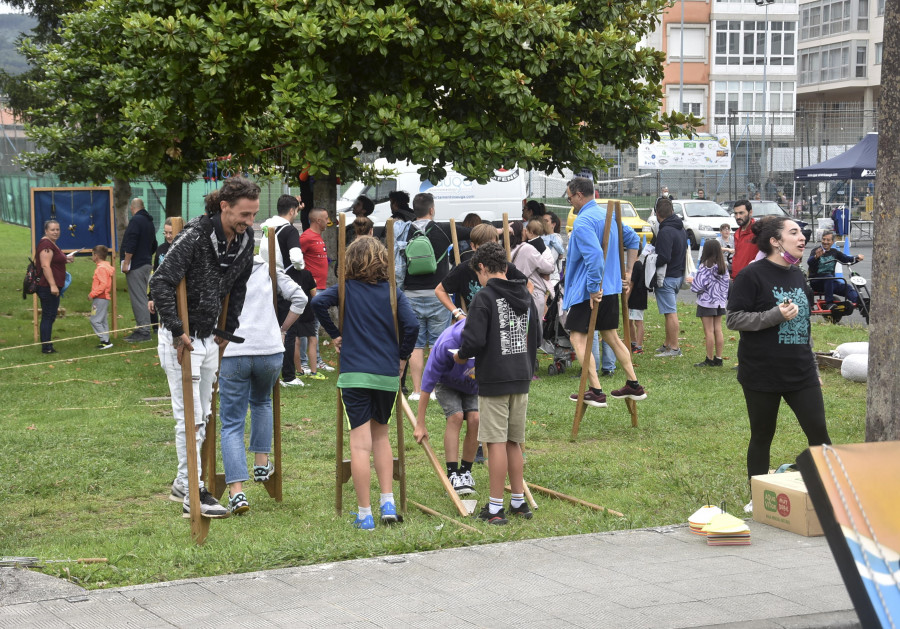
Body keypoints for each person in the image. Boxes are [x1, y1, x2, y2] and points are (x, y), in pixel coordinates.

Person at [149, 176, 259, 519]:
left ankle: (184, 481)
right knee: (190, 417)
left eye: (254, 215)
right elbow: (160, 282)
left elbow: (239, 284)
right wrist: (177, 328)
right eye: (244, 213)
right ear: (224, 206)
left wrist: (229, 327)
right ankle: (193, 493)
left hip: (210, 336)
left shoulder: (245, 239)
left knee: (204, 415)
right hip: (181, 338)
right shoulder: (195, 235)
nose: (249, 221)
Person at [312, 237, 419, 530]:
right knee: (381, 437)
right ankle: (388, 503)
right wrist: (401, 359)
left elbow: (318, 302)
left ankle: (364, 514)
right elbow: (412, 326)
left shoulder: (347, 290)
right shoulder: (393, 293)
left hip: (356, 373)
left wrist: (334, 334)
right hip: (386, 374)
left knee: (360, 446)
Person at [726, 216, 831, 509]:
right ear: (775, 241)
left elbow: (805, 328)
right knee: (762, 435)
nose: (802, 238)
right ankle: (757, 497)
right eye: (794, 232)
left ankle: (831, 494)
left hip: (800, 372)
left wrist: (812, 366)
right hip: (761, 372)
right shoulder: (752, 275)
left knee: (819, 433)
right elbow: (733, 319)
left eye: (802, 233)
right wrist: (774, 315)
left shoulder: (798, 275)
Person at [456, 243, 540, 525]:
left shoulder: (484, 297)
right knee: (514, 442)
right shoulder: (526, 295)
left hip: (494, 378)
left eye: (477, 274)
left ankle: (495, 508)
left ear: (482, 268)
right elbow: (536, 336)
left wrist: (461, 355)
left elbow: (474, 340)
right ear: (505, 266)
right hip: (521, 376)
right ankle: (518, 502)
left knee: (495, 443)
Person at [219, 253, 307, 515]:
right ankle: (261, 461)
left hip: (234, 349)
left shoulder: (222, 265)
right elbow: (300, 298)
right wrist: (281, 329)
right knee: (261, 402)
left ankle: (237, 492)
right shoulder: (268, 267)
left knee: (232, 422)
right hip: (269, 350)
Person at [562, 177, 646, 408]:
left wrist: (592, 289)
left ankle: (595, 390)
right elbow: (636, 240)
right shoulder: (608, 216)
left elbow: (595, 257)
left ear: (579, 195)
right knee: (610, 335)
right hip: (609, 289)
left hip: (588, 292)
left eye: (570, 197)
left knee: (577, 337)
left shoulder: (583, 221)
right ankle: (633, 383)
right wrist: (627, 273)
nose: (570, 202)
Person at [401, 192, 471, 401]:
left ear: (415, 210)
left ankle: (415, 390)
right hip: (438, 293)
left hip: (410, 294)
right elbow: (471, 233)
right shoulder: (444, 228)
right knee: (437, 342)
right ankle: (430, 389)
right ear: (432, 210)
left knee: (416, 343)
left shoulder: (404, 231)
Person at [413, 319, 479, 495]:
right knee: (456, 417)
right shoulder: (446, 344)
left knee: (475, 419)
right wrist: (420, 423)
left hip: (473, 384)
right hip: (447, 383)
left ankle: (465, 472)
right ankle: (452, 473)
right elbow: (427, 386)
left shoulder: (486, 338)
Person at [259, 194, 308, 387]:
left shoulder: (268, 226)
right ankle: (288, 375)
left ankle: (273, 373)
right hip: (285, 280)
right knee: (288, 330)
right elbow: (296, 257)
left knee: (271, 327)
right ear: (292, 211)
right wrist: (301, 267)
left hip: (266, 278)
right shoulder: (289, 230)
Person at [436, 223, 530, 318]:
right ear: (473, 246)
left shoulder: (504, 266)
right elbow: (440, 290)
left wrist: (517, 308)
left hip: (502, 324)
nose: (487, 251)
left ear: (497, 243)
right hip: (476, 323)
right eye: (482, 247)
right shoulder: (463, 269)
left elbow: (529, 285)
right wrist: (458, 314)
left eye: (491, 245)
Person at [299, 207, 335, 376]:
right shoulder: (306, 237)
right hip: (312, 289)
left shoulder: (317, 237)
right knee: (310, 328)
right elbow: (297, 260)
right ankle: (306, 363)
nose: (328, 222)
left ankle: (315, 361)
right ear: (317, 221)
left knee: (315, 327)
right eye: (326, 219)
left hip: (321, 287)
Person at [652, 198, 687, 358]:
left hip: (667, 276)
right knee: (668, 312)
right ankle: (667, 343)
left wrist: (650, 261)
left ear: (657, 214)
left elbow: (664, 256)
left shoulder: (665, 231)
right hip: (678, 274)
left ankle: (674, 348)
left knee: (670, 313)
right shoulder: (680, 228)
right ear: (672, 211)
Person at [35, 219, 75, 354]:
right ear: (46, 231)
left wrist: (66, 259)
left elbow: (54, 261)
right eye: (52, 230)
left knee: (50, 316)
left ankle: (47, 344)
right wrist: (53, 286)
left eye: (57, 229)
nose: (56, 232)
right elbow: (45, 266)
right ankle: (46, 347)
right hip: (47, 287)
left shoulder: (52, 244)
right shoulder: (46, 245)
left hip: (52, 286)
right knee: (48, 316)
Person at [120, 198, 157, 343]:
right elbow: (154, 244)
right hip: (146, 263)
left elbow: (132, 241)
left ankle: (143, 331)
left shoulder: (136, 221)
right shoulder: (149, 222)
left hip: (136, 265)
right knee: (142, 296)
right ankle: (143, 327)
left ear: (132, 208)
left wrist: (127, 261)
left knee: (139, 298)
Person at [689, 239, 729, 367]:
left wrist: (692, 280)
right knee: (718, 330)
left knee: (709, 331)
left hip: (706, 302)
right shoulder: (723, 266)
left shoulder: (705, 265)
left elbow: (698, 286)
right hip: (719, 302)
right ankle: (719, 358)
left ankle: (709, 359)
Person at [807, 231, 864, 310]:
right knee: (829, 277)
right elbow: (809, 262)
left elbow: (846, 259)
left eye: (828, 240)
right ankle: (829, 303)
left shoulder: (835, 252)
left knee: (847, 287)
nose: (825, 242)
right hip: (816, 282)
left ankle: (860, 303)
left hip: (830, 282)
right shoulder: (816, 251)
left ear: (832, 242)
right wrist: (816, 257)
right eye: (824, 239)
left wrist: (857, 258)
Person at [511, 220, 554, 319]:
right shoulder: (528, 248)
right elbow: (549, 268)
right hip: (533, 293)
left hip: (517, 293)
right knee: (535, 330)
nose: (525, 230)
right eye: (523, 229)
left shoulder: (511, 249)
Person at [149, 219, 174, 332]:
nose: (168, 236)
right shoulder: (161, 249)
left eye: (171, 233)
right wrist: (151, 297)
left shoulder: (186, 249)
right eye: (165, 233)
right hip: (163, 296)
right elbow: (155, 275)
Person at [88, 245, 114, 351]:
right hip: (102, 298)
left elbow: (103, 284)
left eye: (92, 255)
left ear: (96, 255)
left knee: (94, 320)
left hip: (100, 298)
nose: (92, 257)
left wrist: (92, 294)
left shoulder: (101, 269)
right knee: (102, 320)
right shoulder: (104, 266)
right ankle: (105, 341)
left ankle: (105, 340)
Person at [731, 200, 758, 280]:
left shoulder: (758, 231)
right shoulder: (737, 233)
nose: (738, 217)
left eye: (741, 213)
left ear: (750, 213)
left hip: (751, 279)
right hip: (736, 278)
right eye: (736, 213)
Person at [627, 254, 648, 354]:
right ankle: (633, 341)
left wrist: (626, 298)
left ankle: (639, 346)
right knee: (629, 321)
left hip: (638, 298)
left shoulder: (637, 265)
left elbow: (631, 284)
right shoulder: (636, 264)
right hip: (635, 298)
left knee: (638, 322)